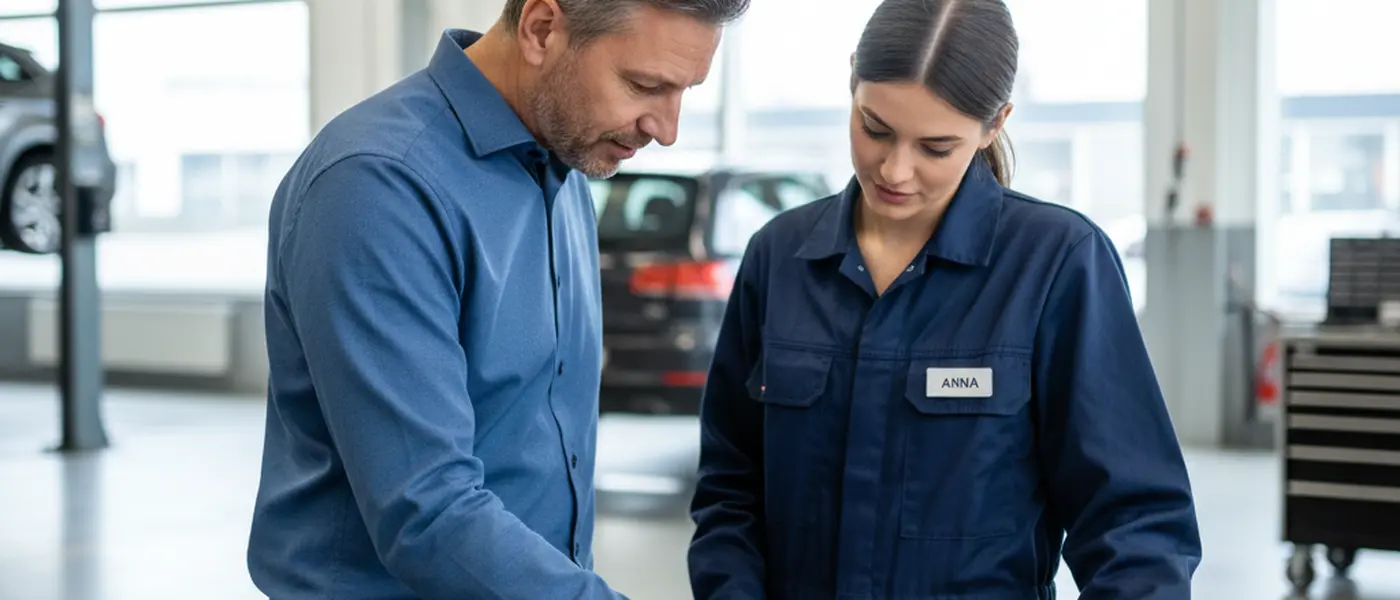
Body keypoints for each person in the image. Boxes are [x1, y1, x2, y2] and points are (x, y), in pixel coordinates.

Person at [687, 0, 1203, 597]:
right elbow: (731, 490)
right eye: (874, 129)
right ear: (853, 79)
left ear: (995, 123)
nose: (896, 171)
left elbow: (1136, 523)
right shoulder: (778, 259)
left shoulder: (1057, 264)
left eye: (935, 148)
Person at [246, 0, 748, 597]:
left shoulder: (565, 170)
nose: (666, 129)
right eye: (644, 85)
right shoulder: (379, 184)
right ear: (541, 29)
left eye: (685, 91)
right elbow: (428, 510)